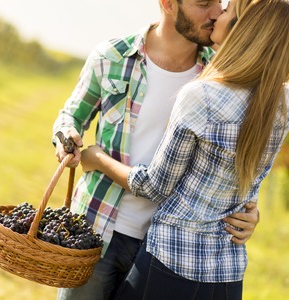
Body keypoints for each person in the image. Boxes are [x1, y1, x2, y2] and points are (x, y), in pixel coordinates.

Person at [79, 0, 289, 298]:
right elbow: (241, 185)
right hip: (227, 275)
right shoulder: (280, 104)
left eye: (226, 10)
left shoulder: (202, 93)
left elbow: (155, 186)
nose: (218, 13)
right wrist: (250, 213)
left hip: (170, 263)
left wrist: (96, 157)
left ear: (242, 29)